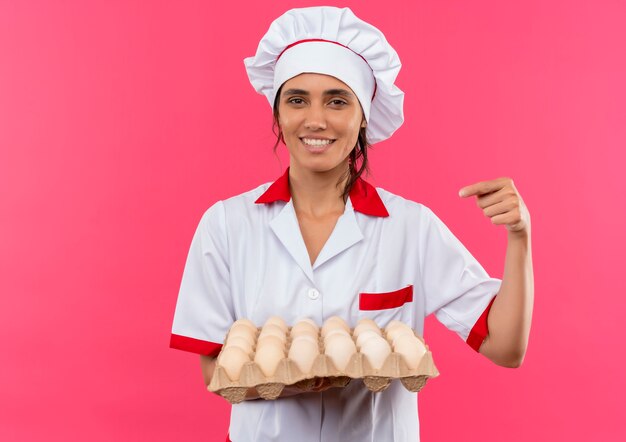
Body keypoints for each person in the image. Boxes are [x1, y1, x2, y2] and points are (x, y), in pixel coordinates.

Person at [169, 6, 533, 442]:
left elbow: (506, 347)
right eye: (297, 99)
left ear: (364, 116)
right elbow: (214, 371)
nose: (316, 119)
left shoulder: (410, 228)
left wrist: (520, 237)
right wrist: (288, 380)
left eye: (337, 100)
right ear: (278, 114)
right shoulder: (226, 225)